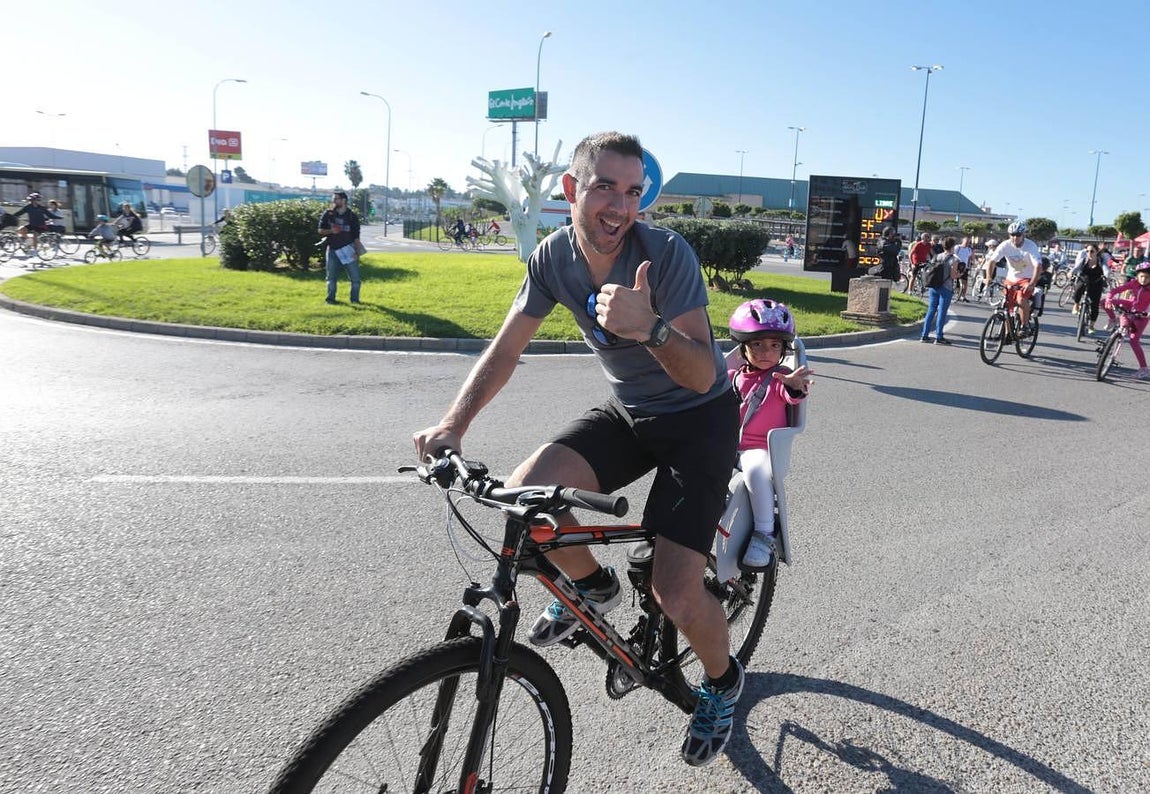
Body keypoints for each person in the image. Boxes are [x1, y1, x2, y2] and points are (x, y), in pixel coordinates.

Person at [412, 131, 744, 767]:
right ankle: (596, 589)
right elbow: (507, 348)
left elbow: (704, 374)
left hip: (700, 418)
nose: (619, 206)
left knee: (676, 591)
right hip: (633, 412)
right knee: (528, 495)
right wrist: (455, 424)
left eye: (632, 191)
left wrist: (649, 327)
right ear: (571, 190)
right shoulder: (552, 257)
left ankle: (723, 682)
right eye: (604, 188)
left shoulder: (665, 253)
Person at [727, 299, 811, 569]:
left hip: (761, 449)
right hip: (729, 445)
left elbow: (791, 396)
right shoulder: (734, 376)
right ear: (743, 347)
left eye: (775, 345)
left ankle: (764, 532)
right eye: (758, 345)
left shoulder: (780, 377)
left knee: (754, 472)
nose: (767, 352)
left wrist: (796, 387)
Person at [983, 220, 1042, 330]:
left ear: (1023, 234)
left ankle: (1025, 326)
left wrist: (1032, 284)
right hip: (1011, 278)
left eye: (1018, 235)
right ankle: (1007, 334)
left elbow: (1038, 266)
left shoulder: (1030, 246)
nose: (1015, 238)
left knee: (1020, 300)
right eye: (1012, 235)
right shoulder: (1005, 245)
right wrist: (988, 278)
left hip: (1027, 278)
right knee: (1007, 305)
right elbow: (992, 261)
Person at [1101, 262, 1150, 379]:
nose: (1144, 279)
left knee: (1133, 341)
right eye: (1142, 276)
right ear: (1137, 276)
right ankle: (1113, 319)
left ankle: (1144, 368)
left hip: (1142, 315)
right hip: (1130, 305)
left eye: (1147, 277)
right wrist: (1109, 298)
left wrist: (1147, 312)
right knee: (1103, 302)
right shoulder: (1134, 283)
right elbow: (1115, 290)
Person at [318, 191, 361, 304]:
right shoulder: (328, 214)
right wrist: (331, 231)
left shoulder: (352, 216)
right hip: (333, 250)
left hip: (349, 250)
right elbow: (320, 230)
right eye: (333, 199)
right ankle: (330, 299)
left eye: (336, 198)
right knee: (331, 278)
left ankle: (355, 300)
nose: (334, 201)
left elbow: (356, 236)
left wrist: (357, 252)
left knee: (355, 279)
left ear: (343, 200)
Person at [920, 236, 960, 345]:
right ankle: (939, 336)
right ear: (952, 247)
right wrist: (959, 274)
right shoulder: (954, 259)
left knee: (931, 310)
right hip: (946, 287)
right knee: (942, 311)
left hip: (934, 285)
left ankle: (924, 335)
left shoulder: (937, 256)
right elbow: (952, 275)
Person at [1070, 244, 1108, 331]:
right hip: (1084, 280)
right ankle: (1076, 304)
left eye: (1092, 251)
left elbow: (1106, 269)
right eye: (1087, 251)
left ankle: (1091, 325)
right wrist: (1071, 272)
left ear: (1096, 252)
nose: (1089, 253)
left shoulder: (1101, 261)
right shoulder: (1083, 260)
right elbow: (1076, 267)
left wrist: (1106, 276)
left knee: (1094, 304)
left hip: (1096, 282)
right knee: (1078, 289)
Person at [953, 237, 973, 302]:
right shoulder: (958, 247)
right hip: (957, 266)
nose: (967, 244)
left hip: (965, 267)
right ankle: (957, 293)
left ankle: (963, 296)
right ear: (963, 241)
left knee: (965, 282)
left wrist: (970, 265)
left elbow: (969, 257)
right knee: (956, 280)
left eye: (968, 242)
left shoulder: (969, 249)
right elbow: (953, 254)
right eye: (966, 242)